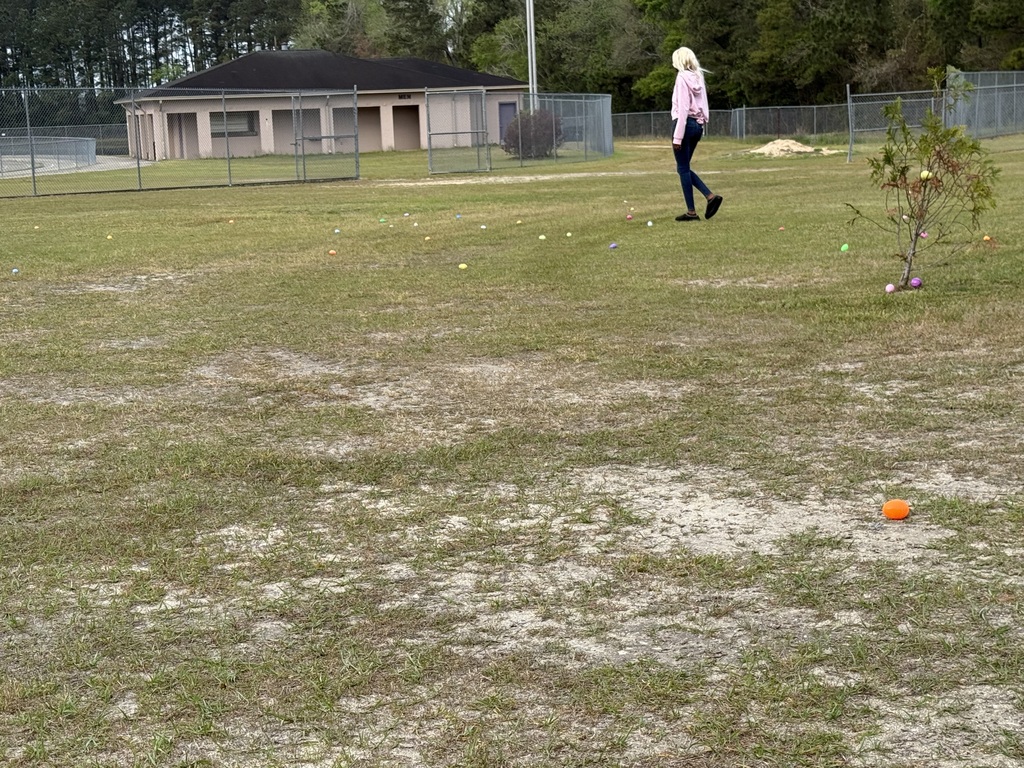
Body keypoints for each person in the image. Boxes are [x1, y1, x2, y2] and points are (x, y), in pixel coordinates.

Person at [670, 47, 723, 221]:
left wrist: (677, 136)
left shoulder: (681, 78)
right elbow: (704, 104)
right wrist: (703, 122)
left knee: (683, 168)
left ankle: (693, 210)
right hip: (697, 126)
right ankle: (708, 198)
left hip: (683, 124)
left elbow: (683, 108)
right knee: (683, 167)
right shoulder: (698, 77)